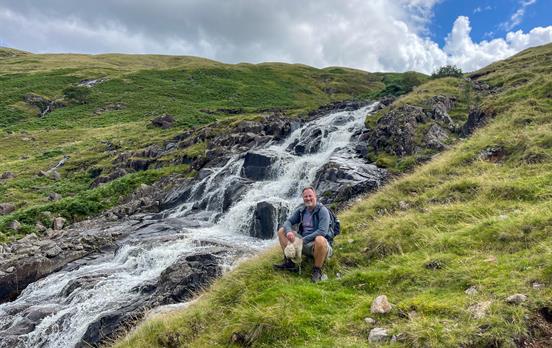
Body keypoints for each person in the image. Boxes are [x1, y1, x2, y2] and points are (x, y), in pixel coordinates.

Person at [273, 186, 334, 283]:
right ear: (303, 198)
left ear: (315, 196)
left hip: (319, 246)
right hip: (303, 243)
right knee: (282, 231)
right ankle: (290, 263)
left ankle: (317, 270)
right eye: (305, 197)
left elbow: (322, 231)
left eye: (310, 196)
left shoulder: (323, 211)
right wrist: (289, 231)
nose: (308, 198)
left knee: (320, 239)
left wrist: (301, 241)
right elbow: (288, 222)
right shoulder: (302, 210)